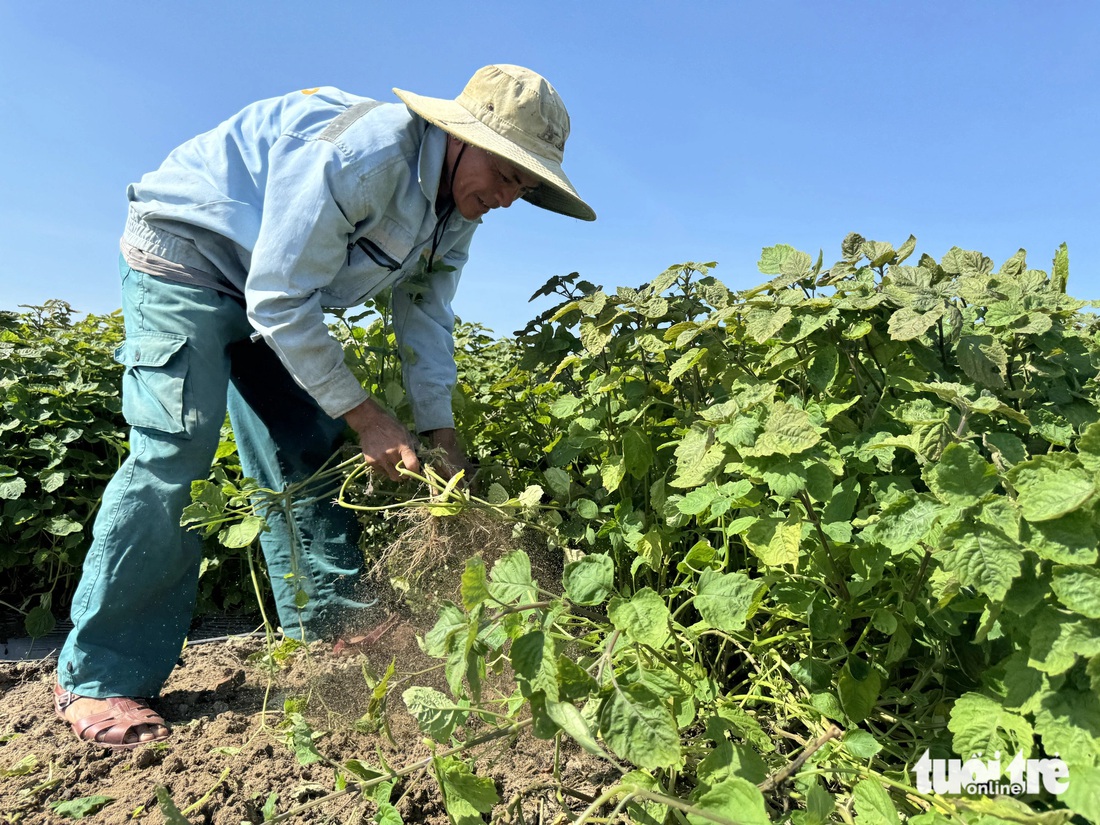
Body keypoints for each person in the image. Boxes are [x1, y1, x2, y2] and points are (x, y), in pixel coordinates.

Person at [53, 64, 594, 750]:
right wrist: (369, 415)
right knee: (176, 449)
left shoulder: (455, 208)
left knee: (302, 436)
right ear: (460, 136)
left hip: (265, 286)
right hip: (187, 254)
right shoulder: (363, 157)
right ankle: (102, 674)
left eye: (525, 184)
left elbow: (425, 311)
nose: (508, 196)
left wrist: (440, 429)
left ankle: (330, 619)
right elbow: (280, 300)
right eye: (505, 172)